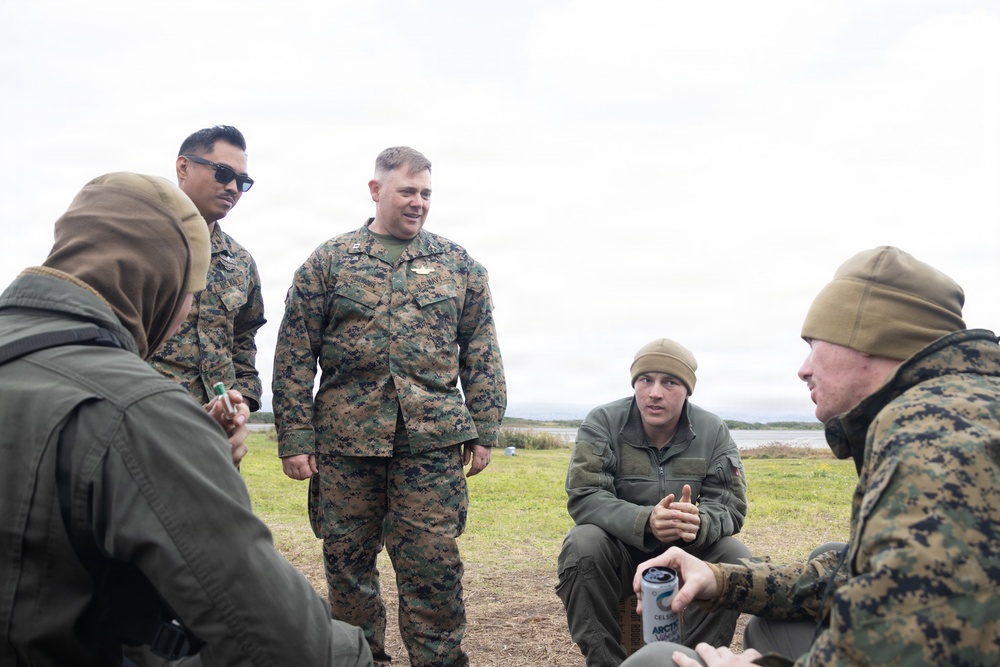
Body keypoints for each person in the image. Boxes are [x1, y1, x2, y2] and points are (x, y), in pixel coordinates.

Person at [0, 172, 372, 666]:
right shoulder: (135, 413)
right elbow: (289, 647)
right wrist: (176, 442)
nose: (187, 312)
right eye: (191, 293)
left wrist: (195, 444)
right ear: (158, 281)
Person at [621, 246, 1000, 667]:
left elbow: (920, 648)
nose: (803, 369)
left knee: (653, 660)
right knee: (794, 598)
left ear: (871, 339)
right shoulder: (959, 408)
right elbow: (861, 575)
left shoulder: (937, 438)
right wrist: (721, 579)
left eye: (815, 345)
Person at [272, 146, 507, 666]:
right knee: (347, 567)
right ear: (376, 190)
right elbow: (294, 354)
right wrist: (294, 437)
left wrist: (485, 429)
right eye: (407, 191)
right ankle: (359, 659)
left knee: (433, 567)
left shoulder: (458, 265)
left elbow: (482, 350)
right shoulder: (329, 262)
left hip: (432, 445)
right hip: (345, 445)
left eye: (426, 193)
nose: (418, 202)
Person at [556, 338, 751, 667]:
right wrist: (645, 520)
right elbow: (585, 496)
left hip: (684, 556)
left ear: (687, 390)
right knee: (581, 543)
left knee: (734, 554)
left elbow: (731, 507)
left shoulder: (713, 430)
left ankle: (689, 661)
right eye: (645, 380)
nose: (655, 392)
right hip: (618, 554)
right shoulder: (602, 422)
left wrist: (700, 522)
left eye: (670, 382)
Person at [150, 125, 266, 414]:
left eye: (242, 182)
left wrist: (244, 400)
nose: (232, 188)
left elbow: (243, 340)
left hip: (218, 432)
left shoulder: (240, 262)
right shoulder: (140, 241)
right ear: (183, 167)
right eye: (223, 173)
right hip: (147, 421)